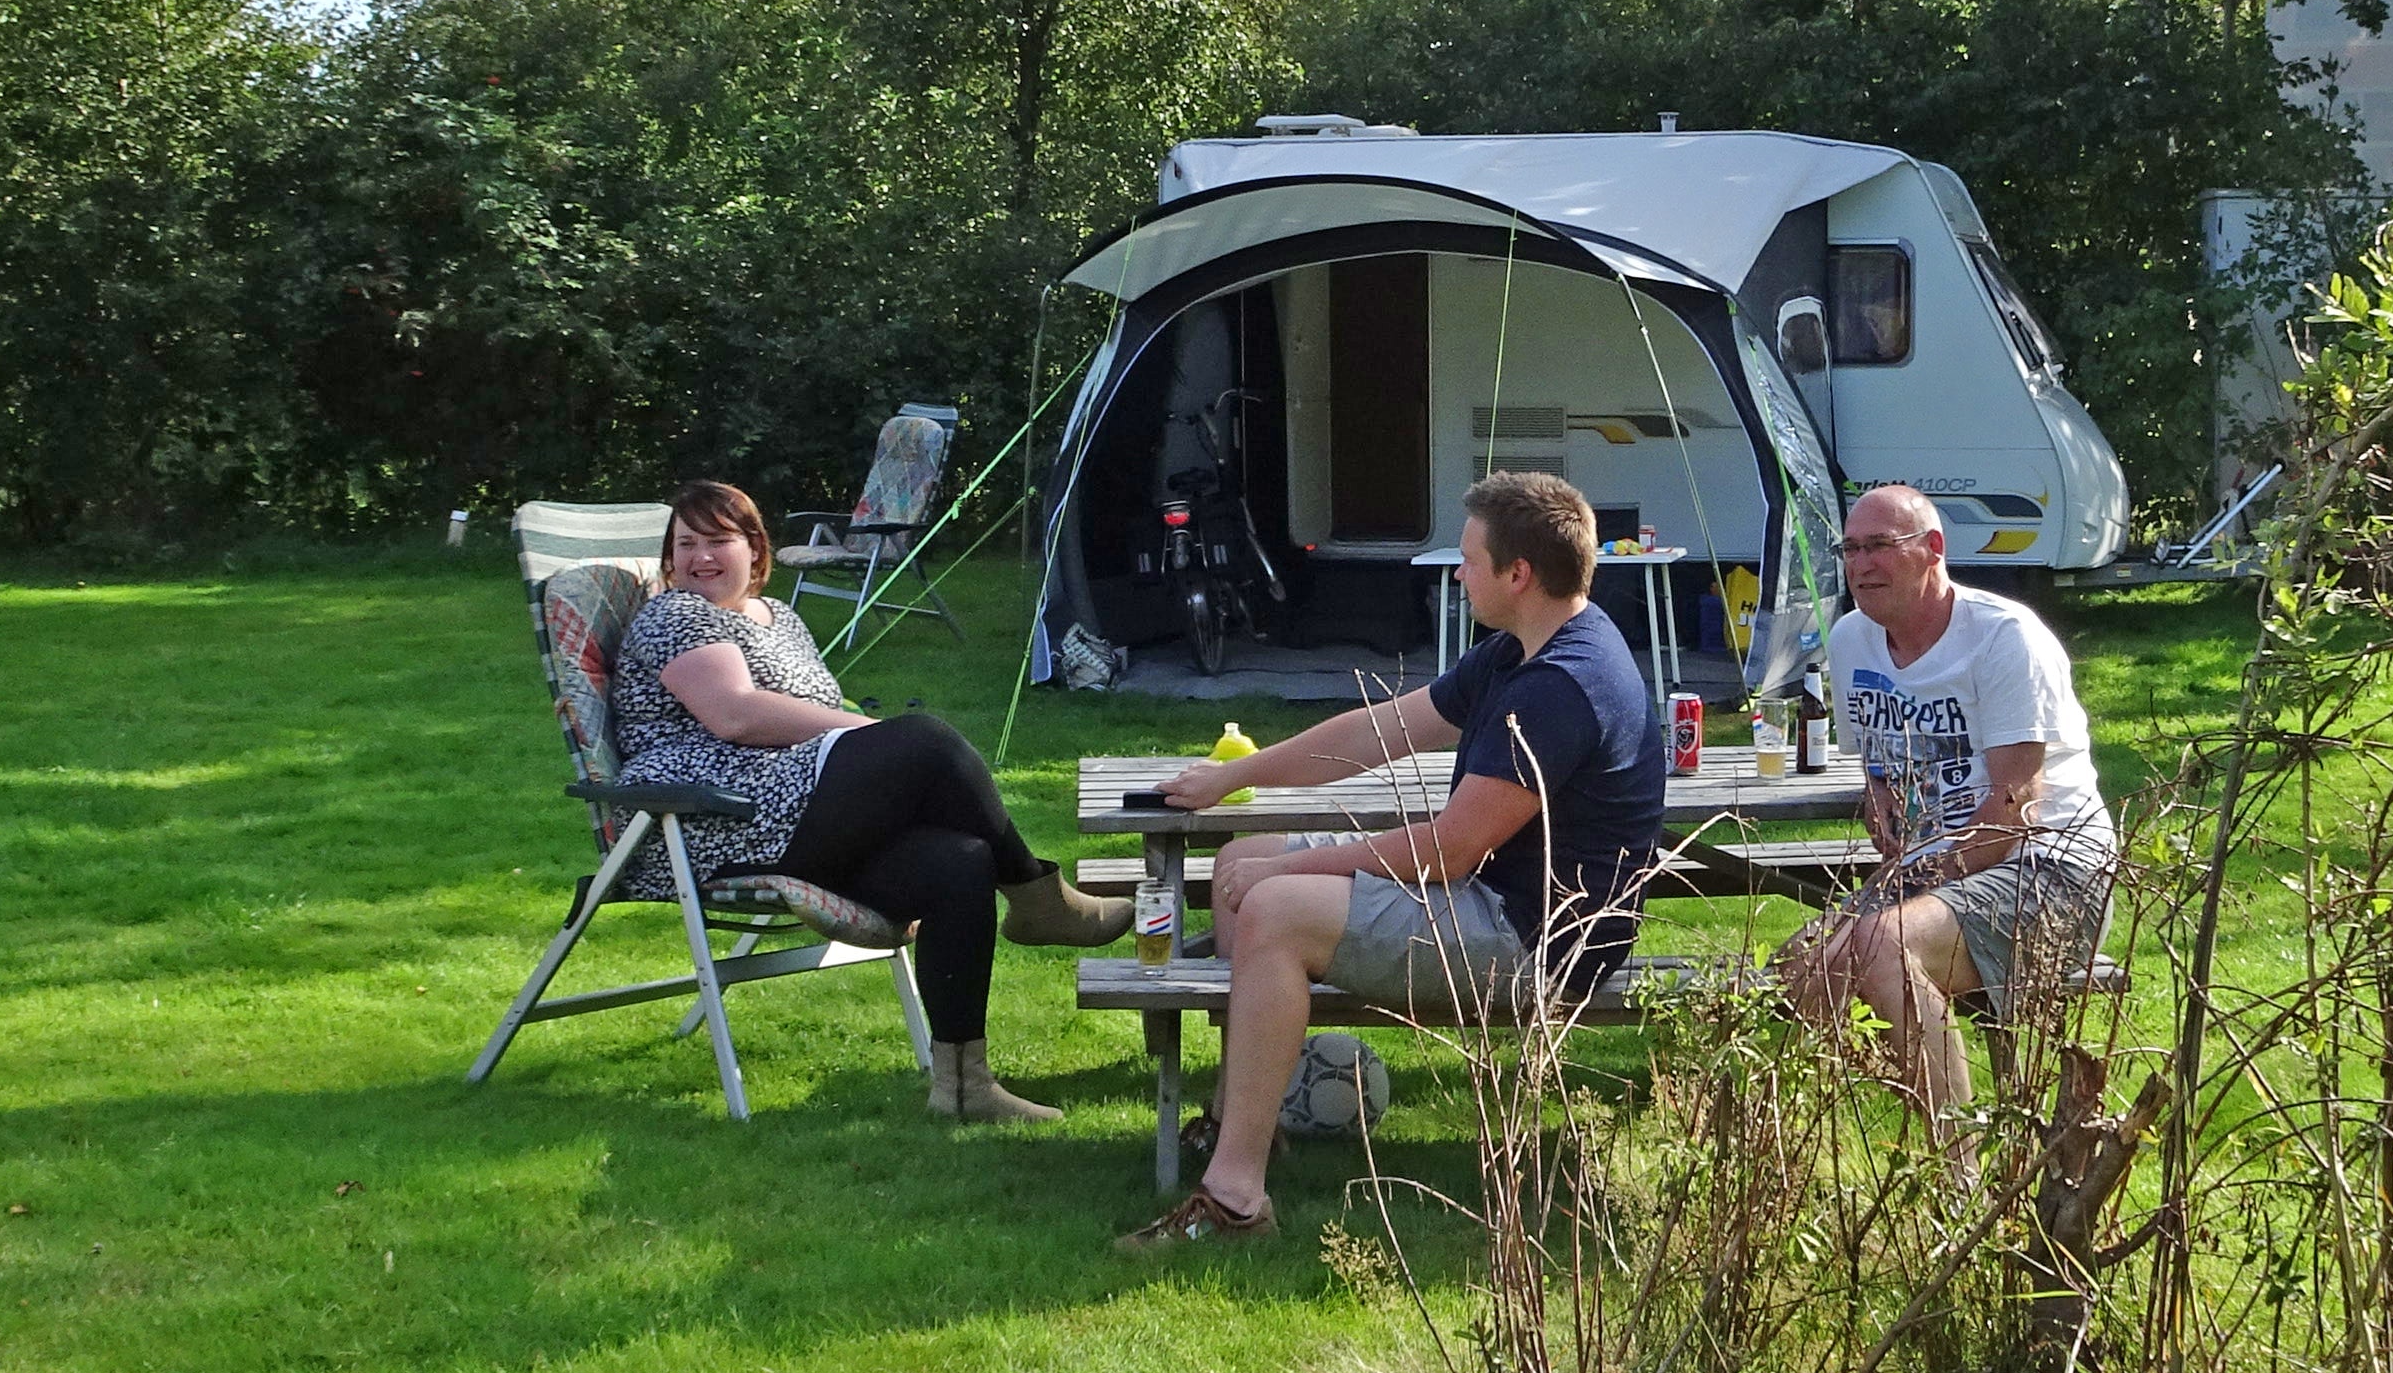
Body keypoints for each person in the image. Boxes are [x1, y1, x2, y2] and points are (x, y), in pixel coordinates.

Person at [1120, 469, 1666, 1247]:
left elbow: (1449, 850)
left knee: (1271, 903)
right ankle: (1248, 1118)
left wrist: (1291, 872)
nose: (1457, 573)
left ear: (1518, 574)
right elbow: (1379, 733)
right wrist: (1231, 776)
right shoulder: (1520, 649)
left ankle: (1234, 1199)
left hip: (1542, 942)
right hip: (1495, 898)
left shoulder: (1561, 685)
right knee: (1244, 859)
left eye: (1470, 559)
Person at [610, 478, 1133, 1125]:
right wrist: (875, 738)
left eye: (718, 541)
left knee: (961, 861)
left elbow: (815, 715)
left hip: (802, 815)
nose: (701, 558)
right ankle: (1037, 896)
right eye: (686, 544)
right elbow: (736, 715)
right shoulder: (675, 615)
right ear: (669, 561)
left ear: (755, 550)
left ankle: (963, 1088)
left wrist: (865, 749)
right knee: (926, 743)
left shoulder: (784, 621)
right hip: (713, 822)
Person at [1782, 483, 2119, 1125]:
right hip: (1938, 874)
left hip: (2053, 871)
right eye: (1850, 549)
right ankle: (1824, 1153)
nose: (1860, 565)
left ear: (1933, 549)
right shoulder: (1854, 640)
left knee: (1880, 946)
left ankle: (1956, 1170)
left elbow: (2013, 808)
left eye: (1880, 546)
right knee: (1804, 965)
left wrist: (1910, 880)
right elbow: (1879, 764)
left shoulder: (2004, 640)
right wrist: (1879, 797)